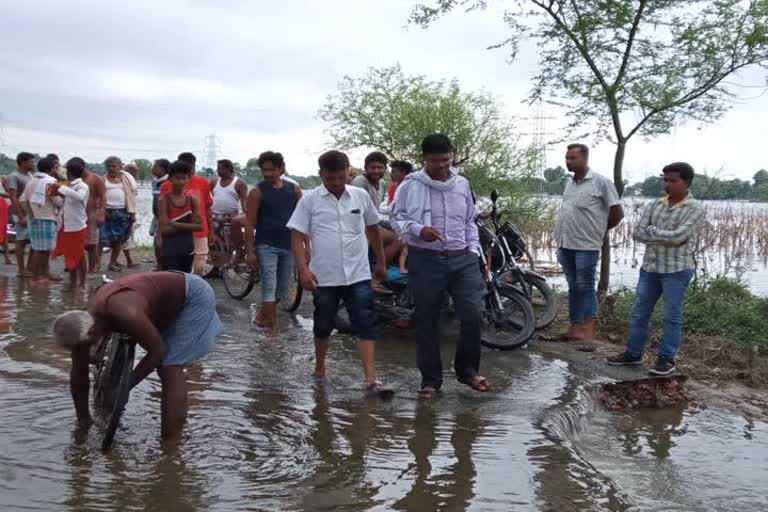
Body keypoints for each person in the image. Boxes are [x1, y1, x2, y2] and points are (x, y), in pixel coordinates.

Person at [52, 271, 222, 442]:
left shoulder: (127, 312)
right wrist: (84, 422)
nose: (79, 354)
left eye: (82, 348)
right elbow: (78, 376)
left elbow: (158, 352)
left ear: (92, 331)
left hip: (193, 295)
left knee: (169, 366)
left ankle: (171, 444)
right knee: (89, 351)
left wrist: (126, 387)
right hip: (153, 299)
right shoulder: (84, 319)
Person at [286, 150, 392, 397]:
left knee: (364, 321)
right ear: (321, 174)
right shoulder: (310, 200)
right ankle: (320, 369)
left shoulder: (360, 196)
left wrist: (381, 263)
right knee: (323, 323)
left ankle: (371, 379)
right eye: (330, 178)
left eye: (341, 177)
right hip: (325, 276)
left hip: (358, 273)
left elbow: (373, 229)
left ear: (348, 173)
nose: (336, 182)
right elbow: (297, 236)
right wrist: (303, 270)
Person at [392, 134, 488, 398]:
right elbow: (395, 217)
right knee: (427, 320)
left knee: (472, 314)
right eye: (435, 161)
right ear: (423, 159)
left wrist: (472, 249)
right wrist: (418, 229)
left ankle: (467, 371)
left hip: (462, 258)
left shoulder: (462, 184)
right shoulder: (411, 185)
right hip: (425, 259)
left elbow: (471, 219)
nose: (441, 166)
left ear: (452, 155)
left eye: (445, 159)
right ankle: (431, 380)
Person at [607, 163, 706, 375]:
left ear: (686, 182)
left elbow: (680, 236)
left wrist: (653, 232)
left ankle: (667, 359)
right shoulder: (655, 204)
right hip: (650, 268)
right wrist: (662, 235)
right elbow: (638, 233)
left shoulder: (695, 209)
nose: (667, 184)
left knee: (672, 316)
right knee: (639, 313)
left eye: (672, 181)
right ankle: (633, 354)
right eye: (665, 180)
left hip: (677, 270)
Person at [555, 143, 624, 342]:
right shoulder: (569, 183)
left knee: (585, 286)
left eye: (572, 158)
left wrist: (599, 232)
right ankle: (574, 328)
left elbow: (618, 213)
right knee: (573, 287)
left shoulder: (601, 182)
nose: (568, 162)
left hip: (587, 245)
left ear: (585, 159)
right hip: (565, 243)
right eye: (567, 158)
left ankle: (588, 333)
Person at [244, 151, 301, 329]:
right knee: (269, 284)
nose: (267, 173)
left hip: (289, 244)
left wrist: (307, 246)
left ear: (281, 169)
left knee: (282, 287)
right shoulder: (257, 192)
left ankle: (262, 317)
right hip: (266, 245)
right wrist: (250, 252)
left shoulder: (294, 190)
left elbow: (302, 220)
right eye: (264, 170)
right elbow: (250, 223)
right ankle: (271, 327)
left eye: (272, 170)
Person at [160, 153, 213, 275]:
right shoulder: (166, 187)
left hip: (199, 233)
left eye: (190, 167)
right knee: (175, 271)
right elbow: (162, 217)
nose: (181, 181)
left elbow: (207, 208)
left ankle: (193, 288)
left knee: (199, 267)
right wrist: (161, 233)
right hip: (173, 237)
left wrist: (211, 231)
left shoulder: (202, 183)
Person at [21, 156, 63, 283]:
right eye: (56, 168)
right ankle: (37, 276)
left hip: (35, 218)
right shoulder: (50, 182)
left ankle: (44, 273)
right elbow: (57, 201)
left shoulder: (32, 181)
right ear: (52, 169)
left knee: (41, 248)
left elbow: (23, 200)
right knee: (42, 250)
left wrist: (30, 213)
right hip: (47, 217)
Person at [51, 158, 90, 288]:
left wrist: (61, 188)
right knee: (70, 255)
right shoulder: (70, 186)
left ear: (69, 173)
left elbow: (79, 197)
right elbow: (68, 201)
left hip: (77, 226)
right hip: (67, 225)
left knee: (79, 254)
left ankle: (82, 282)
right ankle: (73, 282)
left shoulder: (82, 186)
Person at [99, 156, 137, 272]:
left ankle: (112, 263)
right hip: (107, 212)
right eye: (108, 166)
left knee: (119, 240)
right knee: (101, 240)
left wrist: (133, 213)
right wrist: (103, 211)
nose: (111, 168)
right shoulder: (102, 180)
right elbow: (98, 197)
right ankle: (96, 264)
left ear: (121, 167)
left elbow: (132, 196)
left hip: (123, 211)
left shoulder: (127, 179)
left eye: (114, 166)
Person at [210, 158, 247, 262]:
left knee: (229, 243)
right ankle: (215, 266)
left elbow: (244, 204)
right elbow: (208, 199)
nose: (217, 171)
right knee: (214, 243)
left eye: (219, 168)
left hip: (231, 218)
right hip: (214, 217)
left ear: (228, 169)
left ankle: (229, 262)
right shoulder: (214, 182)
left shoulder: (239, 183)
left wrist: (244, 216)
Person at [6, 152, 35, 276]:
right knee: (20, 241)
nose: (33, 164)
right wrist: (20, 216)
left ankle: (28, 268)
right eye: (31, 161)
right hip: (20, 212)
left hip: (29, 211)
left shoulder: (29, 175)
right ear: (23, 162)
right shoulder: (14, 176)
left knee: (31, 240)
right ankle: (21, 270)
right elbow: (13, 197)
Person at [83, 161, 106, 274]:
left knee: (92, 244)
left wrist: (101, 213)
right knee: (80, 243)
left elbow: (102, 197)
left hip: (92, 214)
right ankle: (78, 268)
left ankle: (93, 268)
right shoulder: (73, 178)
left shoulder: (96, 178)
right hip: (78, 215)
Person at [150, 159, 170, 270]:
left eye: (155, 166)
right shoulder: (157, 181)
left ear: (162, 169)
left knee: (160, 242)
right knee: (157, 241)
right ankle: (160, 264)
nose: (152, 168)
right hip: (157, 216)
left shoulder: (166, 182)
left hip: (163, 217)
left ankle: (162, 265)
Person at [120, 163, 141, 268]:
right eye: (136, 172)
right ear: (130, 171)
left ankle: (116, 261)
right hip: (125, 211)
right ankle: (128, 261)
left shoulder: (126, 178)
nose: (137, 174)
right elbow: (129, 197)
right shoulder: (126, 178)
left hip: (126, 210)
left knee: (123, 237)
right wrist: (132, 213)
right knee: (125, 237)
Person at [0, 178, 12, 265]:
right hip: (2, 204)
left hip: (2, 206)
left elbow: (7, 194)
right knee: (3, 233)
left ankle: (7, 259)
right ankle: (7, 259)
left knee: (4, 233)